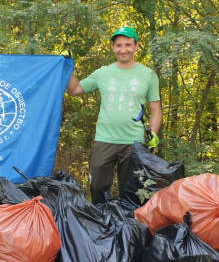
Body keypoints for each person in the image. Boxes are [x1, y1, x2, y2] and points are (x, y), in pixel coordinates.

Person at [65, 26, 162, 204]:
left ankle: (129, 227)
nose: (123, 49)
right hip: (105, 139)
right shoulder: (103, 73)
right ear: (113, 47)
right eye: (118, 45)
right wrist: (68, 68)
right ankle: (101, 223)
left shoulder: (148, 75)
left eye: (127, 45)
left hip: (134, 141)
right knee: (97, 188)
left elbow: (156, 109)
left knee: (132, 190)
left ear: (136, 46)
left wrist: (153, 133)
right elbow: (75, 90)